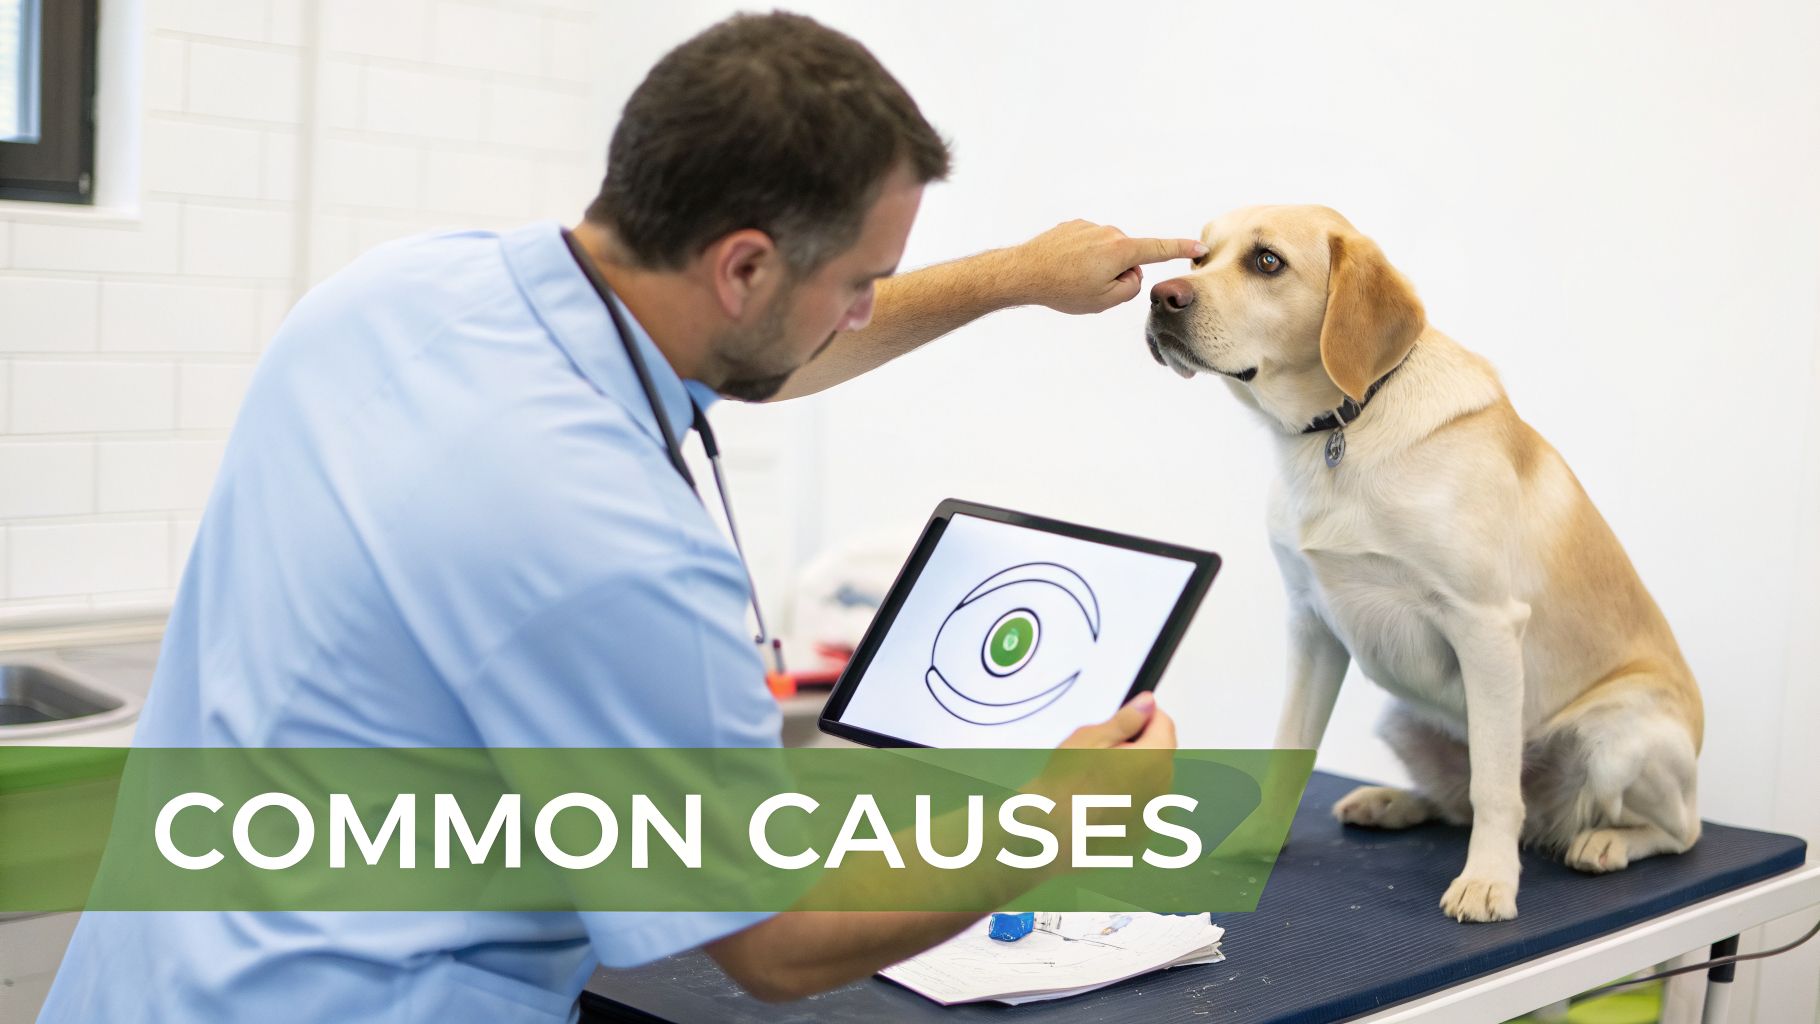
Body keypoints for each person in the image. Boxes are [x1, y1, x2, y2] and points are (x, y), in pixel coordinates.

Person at [39, 11, 1199, 1020]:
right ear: (742, 267)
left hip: (149, 973)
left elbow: (745, 355)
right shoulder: (616, 545)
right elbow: (775, 939)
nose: (860, 311)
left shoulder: (394, 294)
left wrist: (1009, 277)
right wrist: (1051, 817)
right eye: (856, 280)